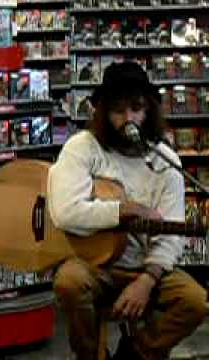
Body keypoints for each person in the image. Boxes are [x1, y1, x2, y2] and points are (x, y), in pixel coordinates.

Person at [48, 62, 207, 360]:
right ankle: (89, 355)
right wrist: (124, 210)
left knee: (195, 302)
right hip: (92, 265)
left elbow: (170, 236)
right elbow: (65, 211)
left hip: (143, 265)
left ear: (149, 111)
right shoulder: (82, 147)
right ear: (104, 113)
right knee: (68, 282)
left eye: (136, 108)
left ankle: (136, 352)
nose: (128, 118)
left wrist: (147, 280)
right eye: (118, 110)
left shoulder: (165, 161)